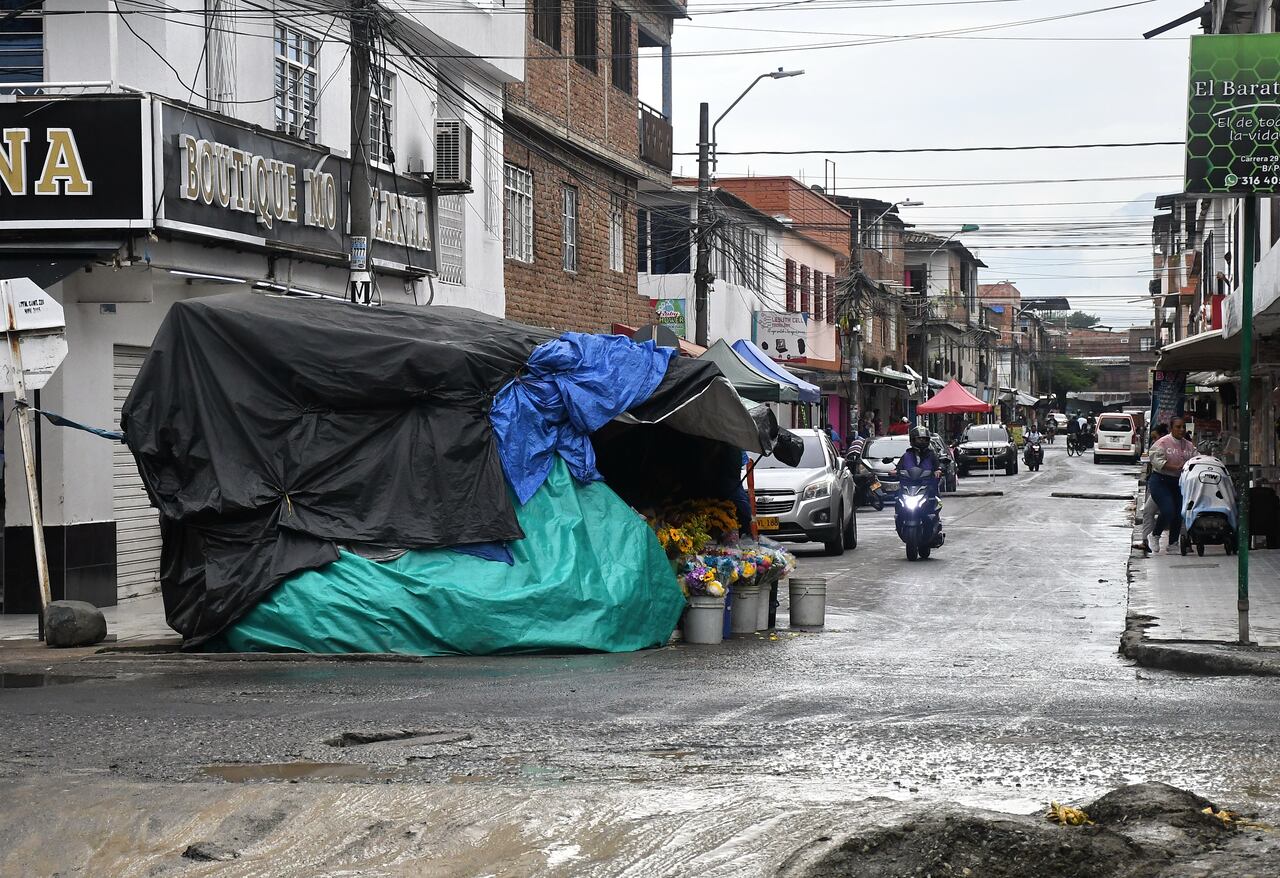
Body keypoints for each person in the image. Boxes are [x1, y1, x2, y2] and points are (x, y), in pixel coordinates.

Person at [1147, 418, 1196, 554]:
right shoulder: (1162, 443)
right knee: (1168, 510)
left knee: (1179, 512)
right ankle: (1155, 535)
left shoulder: (1189, 446)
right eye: (1178, 427)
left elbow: (1196, 458)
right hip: (1160, 481)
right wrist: (1175, 467)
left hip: (1179, 482)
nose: (1181, 430)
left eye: (1183, 427)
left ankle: (1173, 543)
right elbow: (1156, 461)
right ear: (1171, 428)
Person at [897, 425, 945, 539]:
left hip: (927, 488)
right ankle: (900, 524)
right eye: (919, 438)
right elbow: (899, 467)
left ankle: (935, 528)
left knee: (933, 505)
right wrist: (894, 471)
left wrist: (938, 470)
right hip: (908, 488)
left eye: (924, 439)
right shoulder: (906, 455)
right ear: (913, 440)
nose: (922, 441)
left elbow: (938, 466)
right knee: (898, 502)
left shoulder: (931, 455)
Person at [1137, 424, 1169, 552]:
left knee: (1160, 512)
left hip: (1164, 485)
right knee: (1149, 512)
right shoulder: (1160, 447)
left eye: (1155, 438)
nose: (1154, 441)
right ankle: (1148, 540)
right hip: (1160, 484)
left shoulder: (1167, 448)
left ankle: (1152, 538)